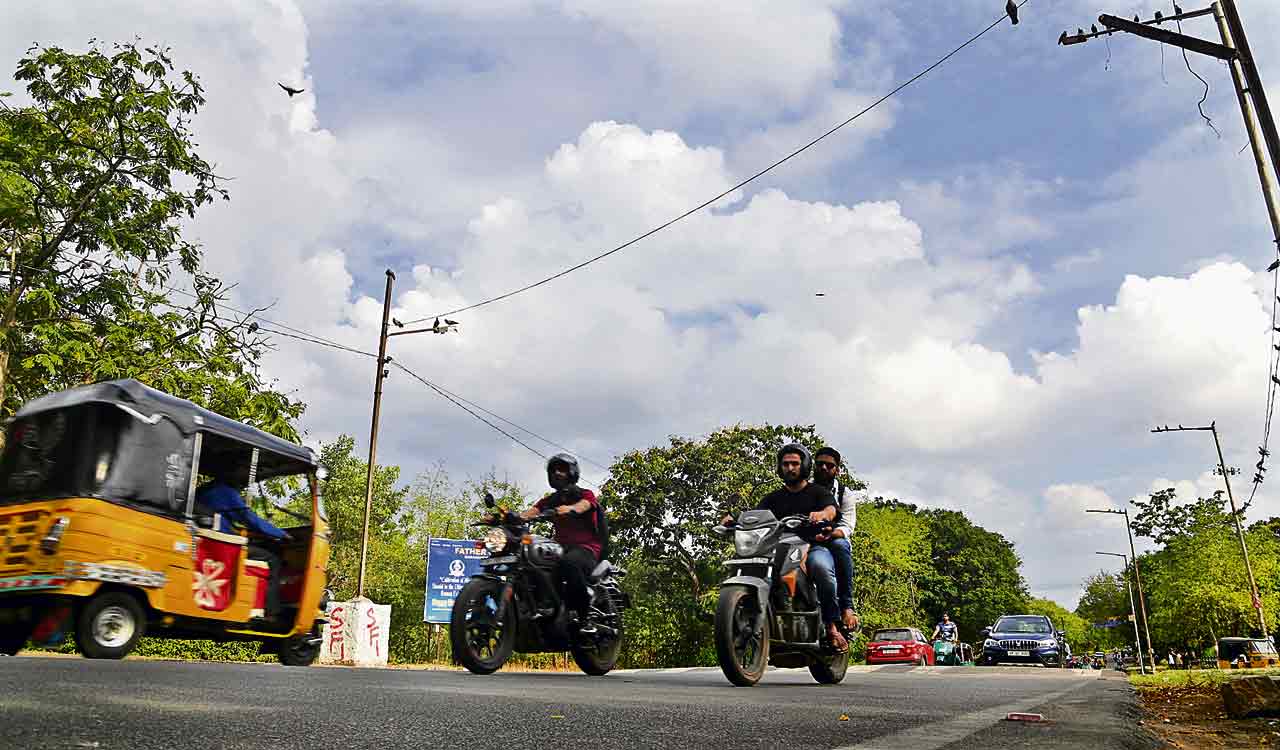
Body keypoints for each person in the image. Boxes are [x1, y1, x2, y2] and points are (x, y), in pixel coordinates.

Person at [722, 443, 843, 651]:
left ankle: (832, 626)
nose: (790, 468)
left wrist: (823, 514)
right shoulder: (773, 498)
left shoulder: (818, 492)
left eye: (794, 463)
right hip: (778, 548)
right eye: (785, 464)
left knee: (821, 568)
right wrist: (734, 519)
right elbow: (755, 515)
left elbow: (831, 508)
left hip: (812, 545)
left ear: (804, 465)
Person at [509, 454, 603, 635]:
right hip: (560, 548)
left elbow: (585, 505)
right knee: (533, 562)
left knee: (569, 563)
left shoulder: (584, 494)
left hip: (586, 549)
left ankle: (585, 618)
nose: (557, 473)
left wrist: (571, 509)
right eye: (554, 470)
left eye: (562, 469)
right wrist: (510, 517)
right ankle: (545, 607)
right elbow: (532, 512)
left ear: (572, 472)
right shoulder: (550, 500)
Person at [195, 469, 289, 617]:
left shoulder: (204, 490)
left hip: (207, 544)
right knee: (273, 558)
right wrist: (281, 534)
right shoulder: (225, 492)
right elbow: (248, 518)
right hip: (221, 545)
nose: (243, 484)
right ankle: (271, 612)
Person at [811, 446, 859, 634]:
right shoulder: (804, 489)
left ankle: (847, 606)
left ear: (837, 469)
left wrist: (830, 533)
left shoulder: (844, 494)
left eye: (829, 465)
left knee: (840, 545)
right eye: (820, 464)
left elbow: (847, 526)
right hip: (805, 541)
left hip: (831, 541)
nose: (824, 468)